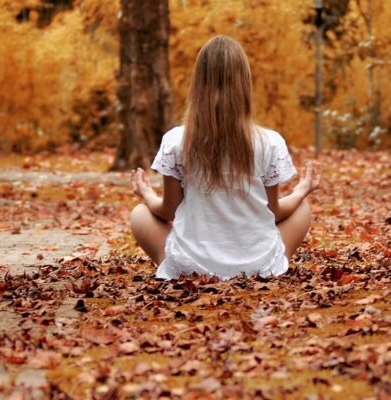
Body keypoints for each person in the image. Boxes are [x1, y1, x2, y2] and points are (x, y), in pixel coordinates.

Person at [129, 35, 320, 280]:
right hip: (256, 268)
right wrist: (301, 191)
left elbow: (168, 212)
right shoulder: (269, 142)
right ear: (244, 83)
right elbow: (273, 212)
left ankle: (181, 268)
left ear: (198, 83)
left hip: (193, 267)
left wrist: (145, 194)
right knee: (301, 208)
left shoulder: (176, 140)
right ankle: (268, 266)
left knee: (140, 213)